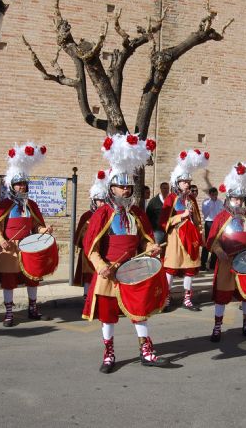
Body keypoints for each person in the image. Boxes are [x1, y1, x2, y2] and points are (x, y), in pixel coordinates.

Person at [83, 133, 167, 373]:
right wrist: (102, 267)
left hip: (134, 271)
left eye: (129, 186)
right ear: (112, 188)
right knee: (108, 315)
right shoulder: (101, 214)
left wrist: (151, 248)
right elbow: (91, 248)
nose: (126, 190)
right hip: (109, 273)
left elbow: (145, 241)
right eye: (121, 186)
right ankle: (109, 353)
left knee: (139, 311)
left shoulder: (138, 213)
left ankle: (146, 350)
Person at [0, 142, 54, 327]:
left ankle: (33, 308)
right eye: (18, 185)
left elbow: (37, 226)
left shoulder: (31, 205)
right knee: (9, 281)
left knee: (32, 279)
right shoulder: (4, 205)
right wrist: (1, 240)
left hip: (29, 246)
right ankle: (9, 312)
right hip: (9, 248)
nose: (22, 188)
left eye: (24, 184)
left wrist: (45, 230)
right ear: (12, 186)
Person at [207, 162, 246, 342]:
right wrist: (219, 252)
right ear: (229, 198)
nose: (238, 202)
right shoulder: (221, 217)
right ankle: (217, 327)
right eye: (235, 199)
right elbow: (211, 240)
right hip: (226, 263)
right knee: (222, 296)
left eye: (241, 199)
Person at [160, 149, 210, 311]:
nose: (187, 184)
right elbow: (163, 221)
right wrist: (180, 217)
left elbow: (197, 219)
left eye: (188, 181)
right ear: (177, 183)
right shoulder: (171, 199)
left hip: (191, 238)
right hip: (175, 239)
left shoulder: (192, 199)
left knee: (190, 269)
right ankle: (166, 298)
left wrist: (199, 230)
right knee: (171, 269)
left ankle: (187, 299)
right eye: (184, 182)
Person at [74, 170, 108, 297]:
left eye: (104, 200)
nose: (102, 203)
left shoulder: (109, 215)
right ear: (94, 201)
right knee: (89, 275)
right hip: (89, 251)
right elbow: (79, 237)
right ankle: (87, 295)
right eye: (99, 200)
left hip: (104, 249)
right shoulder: (87, 216)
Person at [201, 187, 222, 271]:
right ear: (210, 194)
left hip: (217, 223)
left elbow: (222, 213)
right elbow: (205, 213)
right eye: (212, 194)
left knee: (216, 242)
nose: (214, 196)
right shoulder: (206, 202)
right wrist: (211, 204)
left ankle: (213, 264)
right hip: (209, 222)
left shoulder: (220, 202)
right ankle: (203, 263)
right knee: (207, 243)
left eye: (216, 194)